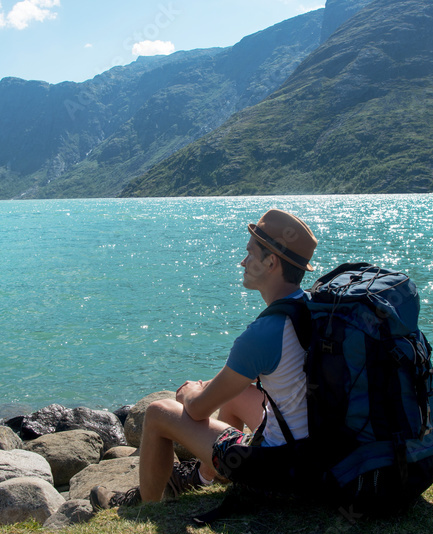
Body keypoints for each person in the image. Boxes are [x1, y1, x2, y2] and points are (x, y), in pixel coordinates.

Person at [91, 209, 318, 508]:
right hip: (321, 453)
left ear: (271, 262)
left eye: (250, 254)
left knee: (159, 412)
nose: (243, 262)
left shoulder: (263, 334)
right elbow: (247, 380)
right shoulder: (313, 307)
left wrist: (189, 394)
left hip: (283, 471)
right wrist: (211, 385)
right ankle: (203, 478)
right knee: (235, 397)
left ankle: (146, 508)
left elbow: (198, 410)